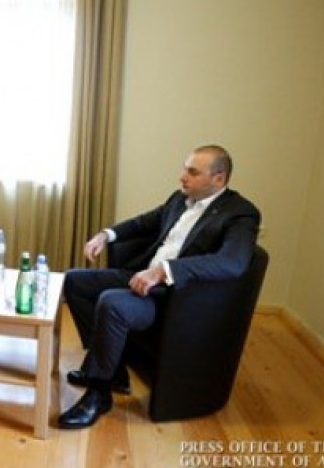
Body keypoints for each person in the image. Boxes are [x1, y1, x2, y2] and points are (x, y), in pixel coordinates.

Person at [58, 145, 261, 429]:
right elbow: (145, 222)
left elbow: (232, 262)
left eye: (192, 172)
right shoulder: (180, 198)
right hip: (142, 275)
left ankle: (98, 392)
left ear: (218, 179)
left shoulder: (240, 213)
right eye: (184, 168)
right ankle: (111, 370)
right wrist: (105, 235)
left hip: (175, 297)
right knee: (73, 280)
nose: (182, 177)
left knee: (112, 302)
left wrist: (165, 271)